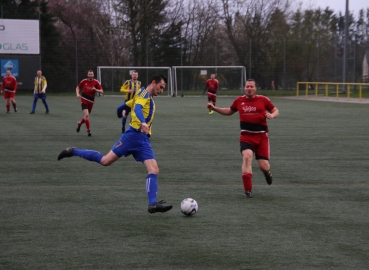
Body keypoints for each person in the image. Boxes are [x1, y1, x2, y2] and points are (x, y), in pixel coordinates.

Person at [58, 74, 172, 214]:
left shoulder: (143, 95)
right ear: (153, 82)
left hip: (143, 140)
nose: (161, 90)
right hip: (133, 136)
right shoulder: (144, 95)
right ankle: (73, 151)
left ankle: (152, 204)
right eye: (161, 87)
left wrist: (120, 111)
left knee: (154, 170)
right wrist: (142, 122)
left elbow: (127, 106)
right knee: (105, 161)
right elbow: (136, 109)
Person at [207, 79, 279, 198]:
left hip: (261, 137)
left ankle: (267, 173)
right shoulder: (239, 100)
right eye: (247, 87)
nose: (249, 89)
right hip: (246, 136)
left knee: (263, 165)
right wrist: (214, 108)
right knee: (247, 157)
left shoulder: (263, 100)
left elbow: (276, 110)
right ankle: (248, 190)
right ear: (244, 88)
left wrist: (272, 115)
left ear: (255, 88)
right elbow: (229, 111)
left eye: (251, 86)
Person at [75, 70, 104, 137]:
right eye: (89, 74)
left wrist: (96, 90)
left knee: (86, 116)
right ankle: (89, 130)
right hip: (84, 99)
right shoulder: (84, 81)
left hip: (91, 101)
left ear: (93, 75)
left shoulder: (96, 82)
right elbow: (78, 87)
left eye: (91, 74)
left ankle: (79, 123)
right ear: (87, 75)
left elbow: (102, 91)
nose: (90, 75)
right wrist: (77, 93)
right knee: (87, 115)